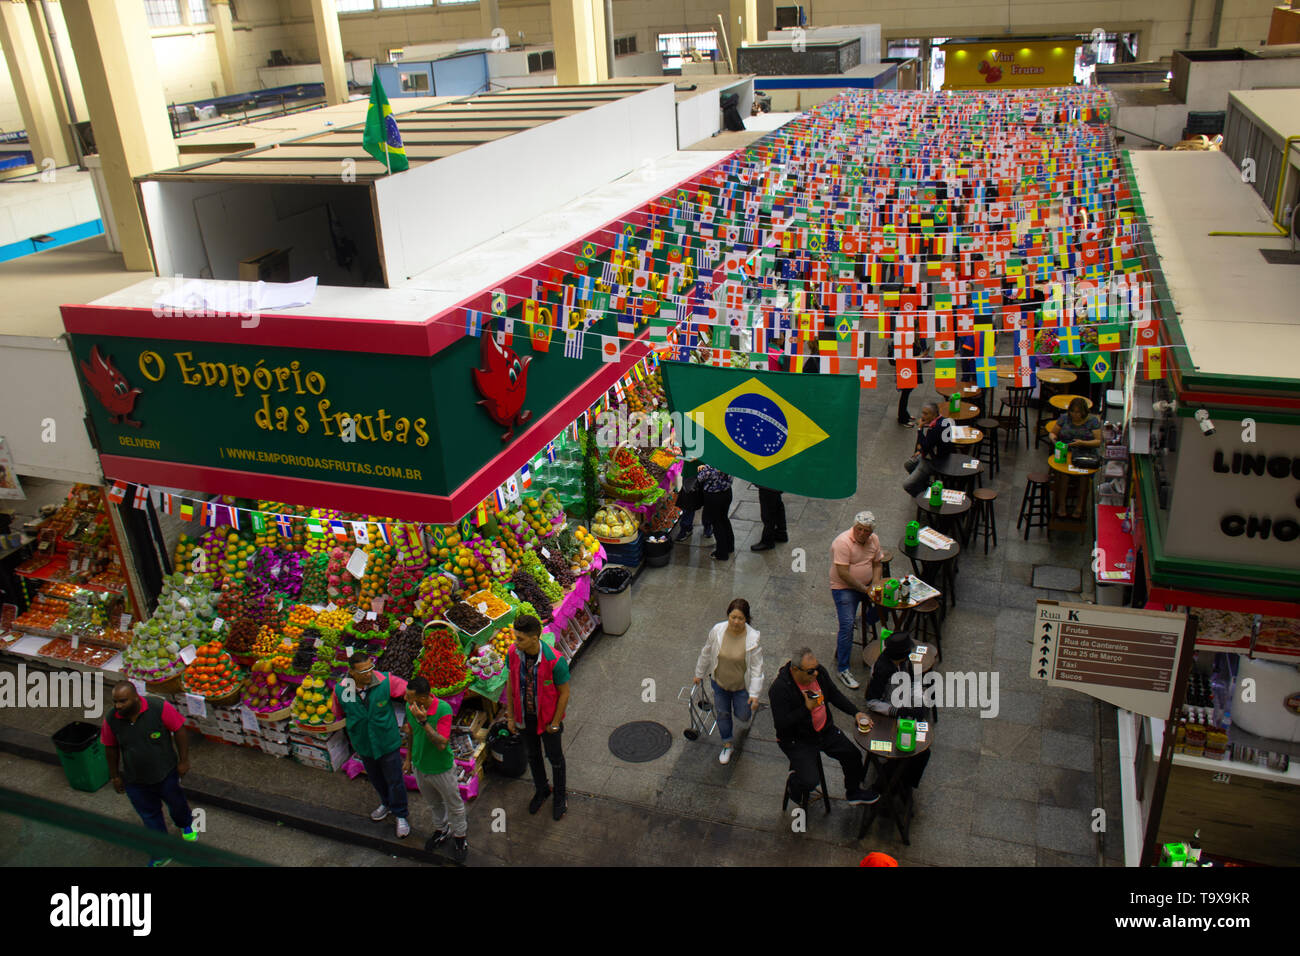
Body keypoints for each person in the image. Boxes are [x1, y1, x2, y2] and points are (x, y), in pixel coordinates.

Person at [769, 646, 879, 807]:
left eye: (816, 669)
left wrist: (855, 713)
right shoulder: (780, 689)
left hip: (824, 731)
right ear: (795, 670)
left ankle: (853, 792)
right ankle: (794, 781)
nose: (815, 674)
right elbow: (781, 725)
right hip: (797, 740)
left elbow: (834, 694)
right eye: (810, 671)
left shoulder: (818, 673)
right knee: (810, 781)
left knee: (853, 756)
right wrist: (806, 708)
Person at [102, 682, 196, 866]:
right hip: (135, 779)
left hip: (166, 773)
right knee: (149, 815)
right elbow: (110, 747)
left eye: (122, 701)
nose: (118, 706)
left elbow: (179, 730)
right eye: (115, 702)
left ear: (136, 697)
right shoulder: (112, 718)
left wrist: (183, 760)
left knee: (177, 804)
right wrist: (114, 775)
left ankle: (185, 824)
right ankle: (161, 853)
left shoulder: (158, 707)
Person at [334, 651, 411, 838]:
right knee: (376, 778)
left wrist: (409, 719)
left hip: (387, 740)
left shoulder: (385, 681)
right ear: (351, 673)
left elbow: (411, 693)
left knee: (395, 779)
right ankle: (386, 804)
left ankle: (401, 814)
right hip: (364, 743)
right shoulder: (343, 690)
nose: (369, 673)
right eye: (363, 671)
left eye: (371, 668)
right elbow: (340, 712)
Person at [505, 614, 571, 820]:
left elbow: (564, 693)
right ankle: (542, 789)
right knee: (533, 756)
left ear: (535, 638)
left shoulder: (555, 661)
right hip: (525, 718)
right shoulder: (513, 653)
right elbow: (510, 684)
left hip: (548, 720)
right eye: (515, 638)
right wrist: (511, 716)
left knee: (555, 759)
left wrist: (555, 722)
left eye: (520, 639)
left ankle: (560, 796)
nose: (516, 642)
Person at [401, 675, 468, 862]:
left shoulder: (444, 710)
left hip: (441, 769)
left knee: (454, 805)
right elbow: (411, 734)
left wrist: (424, 722)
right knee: (434, 803)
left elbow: (441, 743)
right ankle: (442, 829)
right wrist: (408, 759)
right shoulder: (410, 706)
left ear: (423, 698)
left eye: (409, 696)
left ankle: (460, 837)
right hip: (420, 766)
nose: (405, 700)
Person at [693, 598, 764, 764]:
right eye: (733, 617)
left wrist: (754, 694)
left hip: (741, 688)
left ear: (746, 619)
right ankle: (727, 743)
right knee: (723, 714)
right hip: (719, 684)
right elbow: (706, 651)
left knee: (743, 715)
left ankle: (745, 713)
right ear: (728, 616)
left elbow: (756, 668)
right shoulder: (717, 631)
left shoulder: (753, 639)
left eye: (740, 618)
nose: (736, 621)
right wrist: (699, 673)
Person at [863, 631, 932, 789]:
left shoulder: (905, 662)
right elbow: (872, 702)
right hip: (887, 715)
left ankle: (907, 783)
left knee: (923, 752)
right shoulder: (882, 670)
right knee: (901, 752)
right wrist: (898, 711)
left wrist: (919, 701)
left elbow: (914, 682)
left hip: (904, 706)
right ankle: (888, 786)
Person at [829, 511, 885, 689]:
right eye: (859, 529)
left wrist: (875, 585)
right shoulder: (842, 542)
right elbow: (843, 573)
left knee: (889, 602)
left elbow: (877, 563)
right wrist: (865, 589)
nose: (862, 533)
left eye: (866, 531)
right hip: (845, 587)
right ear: (854, 527)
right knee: (846, 624)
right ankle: (843, 668)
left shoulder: (874, 540)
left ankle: (867, 621)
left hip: (867, 585)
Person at [1046, 396, 1103, 519]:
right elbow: (1053, 432)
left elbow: (1098, 441)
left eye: (1078, 412)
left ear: (1083, 412)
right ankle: (1061, 505)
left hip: (1085, 454)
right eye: (1072, 411)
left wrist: (1082, 443)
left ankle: (1079, 506)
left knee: (1084, 478)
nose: (1075, 414)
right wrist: (1054, 440)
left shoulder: (1092, 421)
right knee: (1063, 476)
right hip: (1066, 453)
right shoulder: (1064, 418)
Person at [902, 402, 956, 497]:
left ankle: (923, 495)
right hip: (934, 453)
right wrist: (920, 449)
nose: (923, 416)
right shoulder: (944, 421)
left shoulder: (934, 429)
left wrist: (920, 428)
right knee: (908, 465)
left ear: (934, 415)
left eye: (926, 414)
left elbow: (923, 446)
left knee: (907, 485)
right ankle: (922, 481)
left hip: (933, 460)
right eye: (923, 413)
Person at [888, 333, 929, 426]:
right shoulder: (907, 341)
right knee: (905, 394)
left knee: (906, 394)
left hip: (911, 369)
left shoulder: (913, 339)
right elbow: (905, 357)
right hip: (907, 370)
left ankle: (905, 414)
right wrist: (920, 356)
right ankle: (902, 418)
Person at [698, 463, 734, 561]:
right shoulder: (729, 459)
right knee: (724, 519)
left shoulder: (712, 465)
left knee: (717, 523)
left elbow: (701, 478)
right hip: (727, 493)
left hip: (714, 497)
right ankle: (730, 546)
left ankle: (722, 553)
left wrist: (701, 469)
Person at [675, 457, 713, 542]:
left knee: (708, 500)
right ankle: (686, 528)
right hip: (690, 471)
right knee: (688, 502)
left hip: (707, 469)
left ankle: (708, 525)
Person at [751, 486, 787, 552]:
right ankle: (781, 533)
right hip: (776, 484)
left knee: (767, 512)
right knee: (777, 504)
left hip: (767, 484)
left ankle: (767, 541)